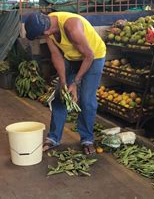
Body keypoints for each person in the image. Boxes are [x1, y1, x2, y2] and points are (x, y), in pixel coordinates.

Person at [24, 11, 106, 155]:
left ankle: (87, 139)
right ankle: (54, 138)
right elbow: (56, 54)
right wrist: (63, 82)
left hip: (93, 57)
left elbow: (89, 55)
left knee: (87, 100)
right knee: (60, 96)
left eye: (40, 36)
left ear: (46, 31)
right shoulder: (48, 26)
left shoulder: (71, 27)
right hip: (72, 58)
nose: (42, 38)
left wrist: (75, 82)